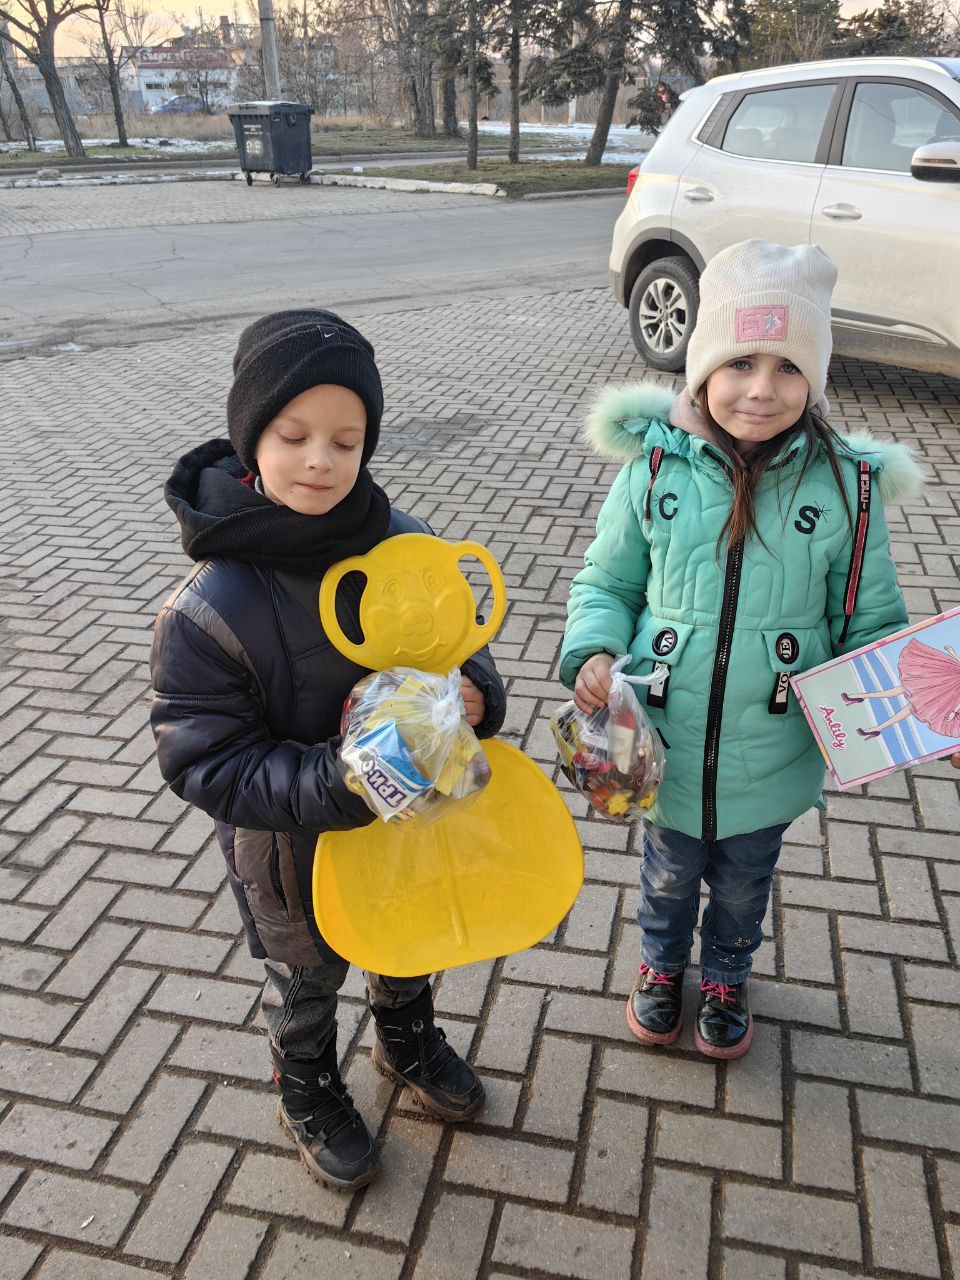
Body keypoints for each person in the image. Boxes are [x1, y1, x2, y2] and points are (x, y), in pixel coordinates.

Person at [559, 239, 948, 1060]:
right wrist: (593, 650)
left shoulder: (847, 487)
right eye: (740, 362)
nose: (761, 389)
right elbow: (607, 582)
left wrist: (922, 701)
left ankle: (729, 974)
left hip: (772, 750)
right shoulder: (654, 468)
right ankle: (663, 968)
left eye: (787, 366)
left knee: (743, 886)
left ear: (816, 378)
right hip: (659, 740)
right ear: (703, 369)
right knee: (665, 878)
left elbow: (870, 621)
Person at [149, 310, 506, 1190]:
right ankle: (304, 1077)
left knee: (406, 942)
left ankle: (405, 1038)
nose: (321, 460)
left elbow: (458, 643)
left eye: (346, 441)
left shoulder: (402, 540)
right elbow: (208, 762)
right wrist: (344, 781)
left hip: (404, 832)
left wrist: (475, 695)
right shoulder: (209, 606)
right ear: (251, 438)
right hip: (288, 848)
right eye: (294, 435)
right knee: (307, 977)